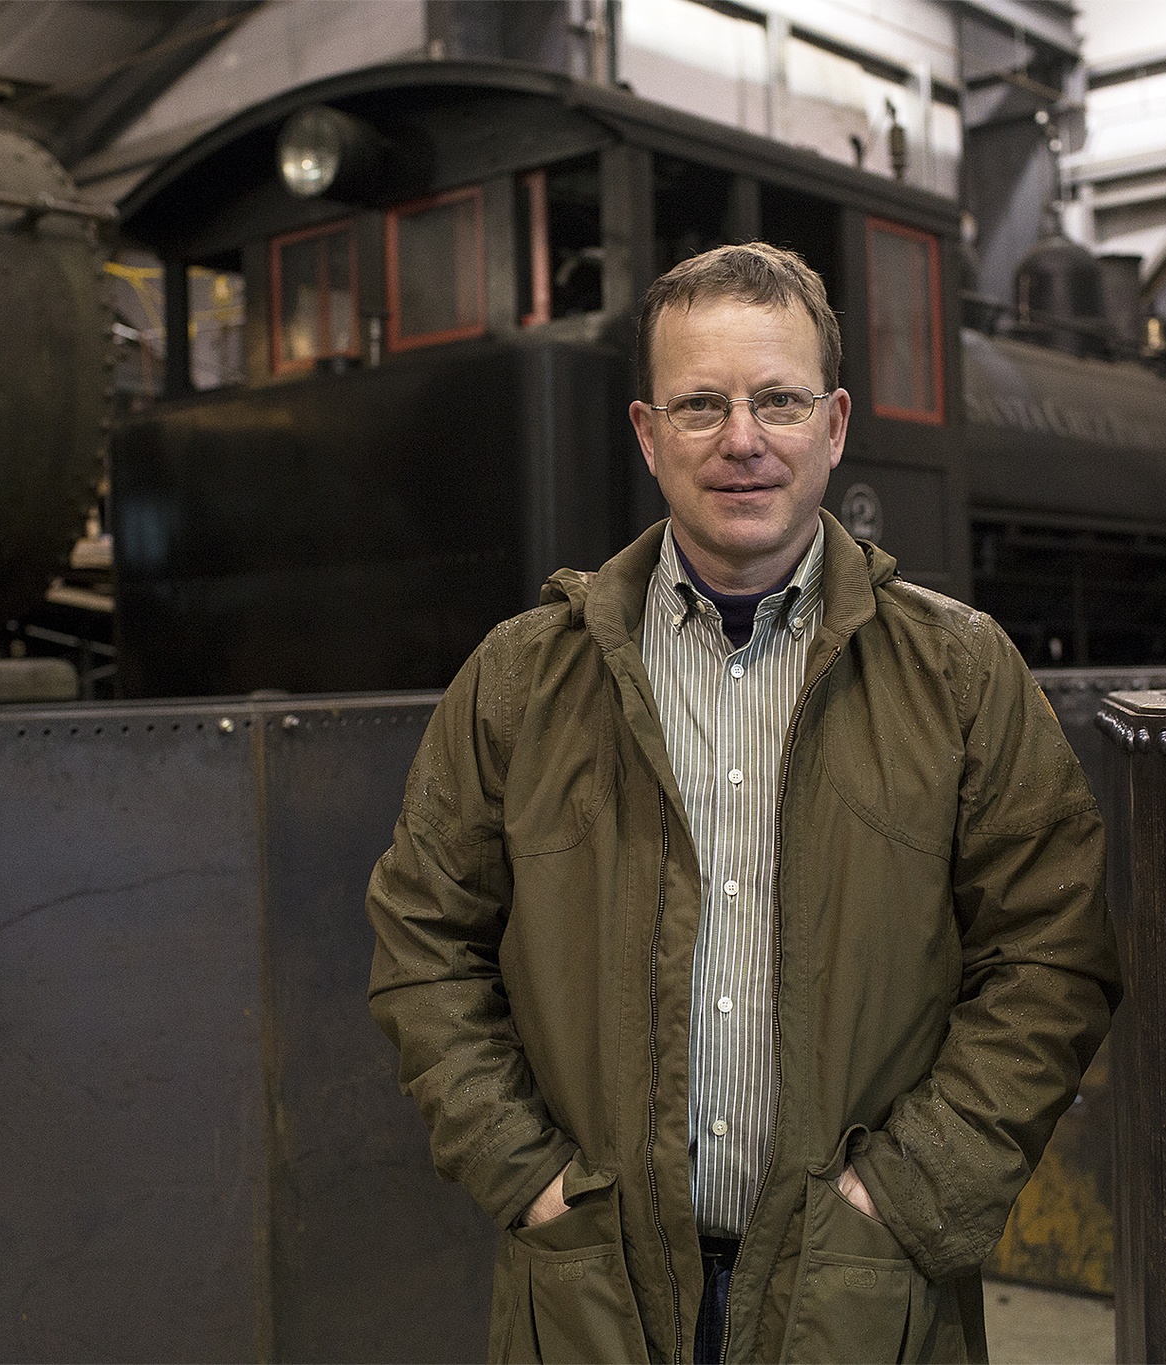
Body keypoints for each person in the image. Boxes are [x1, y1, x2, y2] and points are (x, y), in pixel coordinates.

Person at [367, 241, 1119, 1364]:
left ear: (833, 424)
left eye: (776, 398)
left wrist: (906, 1198)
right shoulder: (523, 681)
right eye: (699, 404)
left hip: (858, 1294)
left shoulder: (959, 675)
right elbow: (423, 944)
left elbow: (1048, 958)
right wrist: (528, 1181)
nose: (740, 439)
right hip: (593, 1291)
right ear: (644, 431)